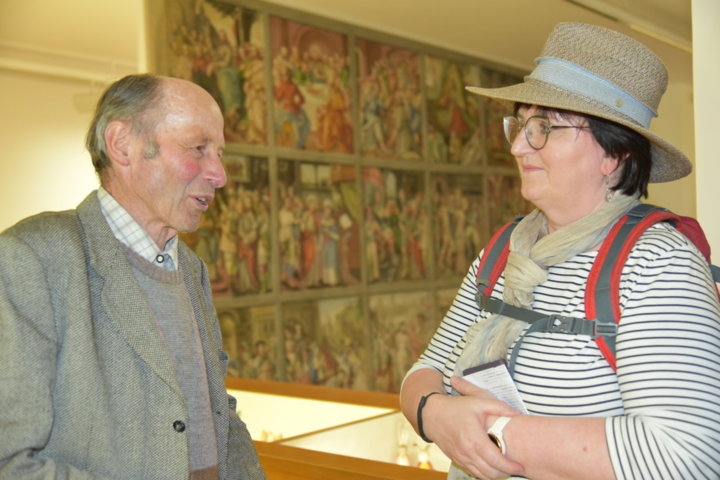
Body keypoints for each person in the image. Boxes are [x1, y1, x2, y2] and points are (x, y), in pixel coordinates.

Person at [400, 22, 720, 480]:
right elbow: (426, 368)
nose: (517, 147)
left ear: (613, 155)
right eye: (520, 125)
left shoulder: (658, 263)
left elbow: (688, 456)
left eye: (545, 127)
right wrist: (434, 414)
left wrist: (490, 434)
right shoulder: (503, 251)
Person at [0, 74, 266, 479]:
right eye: (198, 148)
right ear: (123, 144)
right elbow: (9, 462)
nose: (220, 175)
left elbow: (219, 411)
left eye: (219, 153)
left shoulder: (190, 268)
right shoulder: (32, 258)